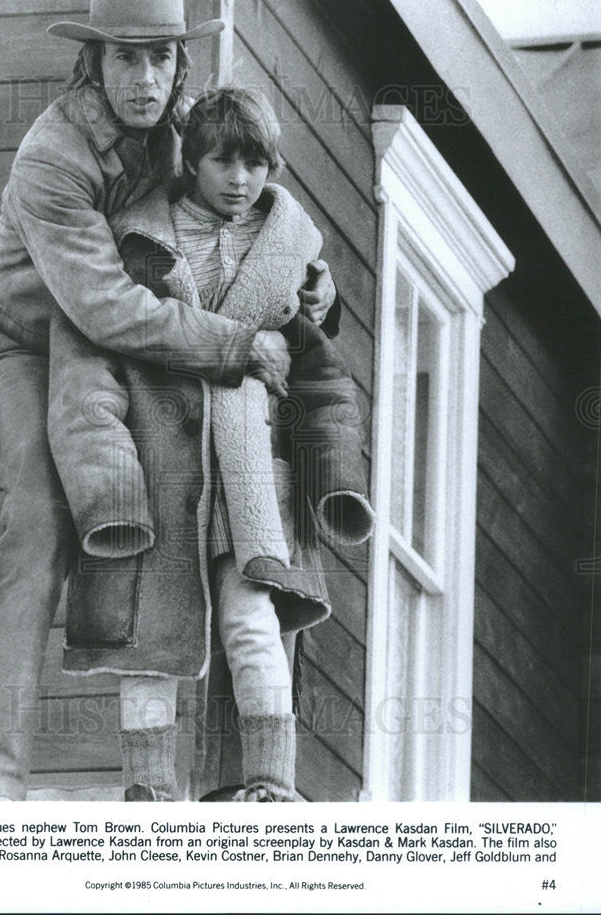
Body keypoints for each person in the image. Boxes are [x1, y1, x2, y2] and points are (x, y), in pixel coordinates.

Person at [0, 0, 337, 801]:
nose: (144, 79)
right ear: (93, 62)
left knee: (222, 514)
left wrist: (320, 283)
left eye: (160, 57)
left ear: (180, 63)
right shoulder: (51, 156)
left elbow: (245, 213)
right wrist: (235, 344)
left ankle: (237, 780)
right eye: (126, 58)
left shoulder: (183, 130)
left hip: (161, 346)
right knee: (42, 522)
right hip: (38, 340)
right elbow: (106, 309)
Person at [48, 87, 374, 801]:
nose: (240, 179)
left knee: (252, 618)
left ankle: (270, 784)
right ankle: (149, 794)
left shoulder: (290, 260)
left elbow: (323, 377)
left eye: (256, 163)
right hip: (156, 468)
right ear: (190, 160)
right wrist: (108, 486)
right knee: (149, 640)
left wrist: (335, 479)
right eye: (223, 160)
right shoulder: (133, 246)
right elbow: (92, 362)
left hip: (250, 478)